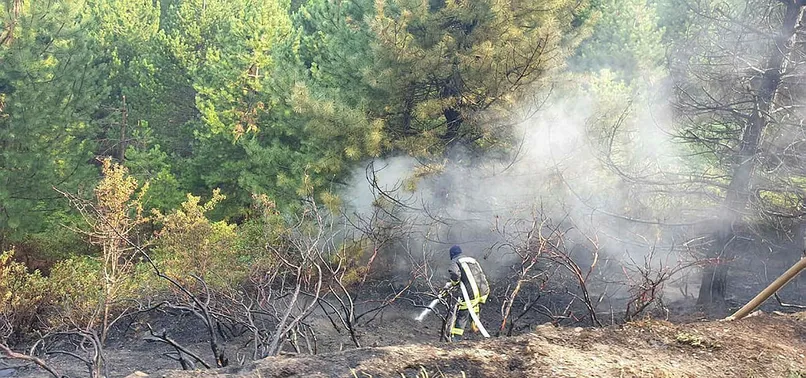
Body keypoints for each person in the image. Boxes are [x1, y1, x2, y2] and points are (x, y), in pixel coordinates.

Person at [439, 245, 490, 341]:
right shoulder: (471, 260)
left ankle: (455, 339)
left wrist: (453, 283)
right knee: (475, 305)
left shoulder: (455, 261)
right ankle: (474, 325)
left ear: (452, 254)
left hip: (471, 293)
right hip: (484, 290)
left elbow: (455, 274)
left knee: (462, 314)